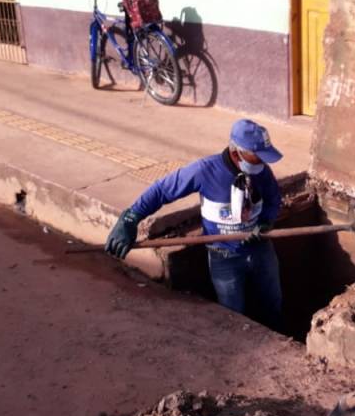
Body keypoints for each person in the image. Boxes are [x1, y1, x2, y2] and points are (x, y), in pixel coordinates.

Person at [105, 118, 284, 331]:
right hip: (224, 257)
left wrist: (265, 223)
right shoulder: (205, 171)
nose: (263, 165)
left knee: (272, 304)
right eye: (258, 159)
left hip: (260, 249)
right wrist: (131, 218)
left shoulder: (262, 173)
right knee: (233, 314)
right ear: (237, 154)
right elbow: (162, 190)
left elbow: (273, 199)